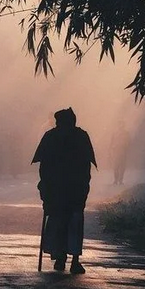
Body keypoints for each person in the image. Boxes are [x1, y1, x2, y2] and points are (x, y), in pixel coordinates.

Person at [31, 107, 97, 274]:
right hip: (74, 190)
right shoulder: (81, 136)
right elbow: (86, 166)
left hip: (57, 191)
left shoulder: (51, 137)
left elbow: (44, 167)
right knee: (74, 223)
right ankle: (74, 260)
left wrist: (45, 187)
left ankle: (60, 258)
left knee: (58, 221)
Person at [109, 119, 130, 185]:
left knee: (122, 167)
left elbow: (128, 142)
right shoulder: (115, 133)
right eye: (120, 125)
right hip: (117, 152)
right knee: (116, 167)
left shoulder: (126, 133)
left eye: (122, 125)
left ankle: (120, 180)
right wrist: (111, 149)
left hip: (123, 152)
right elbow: (112, 142)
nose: (121, 126)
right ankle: (116, 180)